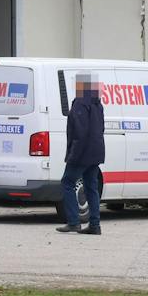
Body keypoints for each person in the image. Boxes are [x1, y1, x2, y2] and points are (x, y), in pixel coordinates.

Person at [58, 73, 105, 235]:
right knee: (91, 186)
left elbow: (79, 132)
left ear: (81, 87)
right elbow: (101, 129)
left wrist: (73, 156)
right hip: (96, 152)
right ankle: (95, 225)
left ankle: (73, 222)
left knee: (67, 182)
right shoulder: (98, 104)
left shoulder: (79, 104)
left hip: (82, 152)